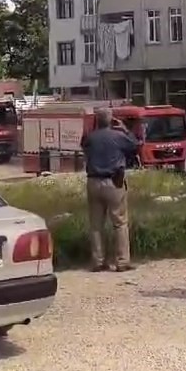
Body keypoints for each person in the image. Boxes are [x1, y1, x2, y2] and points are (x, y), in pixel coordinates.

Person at [82, 107, 138, 272]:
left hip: (93, 181)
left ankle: (98, 261)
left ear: (97, 121)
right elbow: (134, 145)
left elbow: (84, 146)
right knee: (120, 222)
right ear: (112, 120)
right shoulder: (119, 136)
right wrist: (125, 129)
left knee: (96, 225)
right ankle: (122, 262)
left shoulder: (91, 138)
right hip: (114, 181)